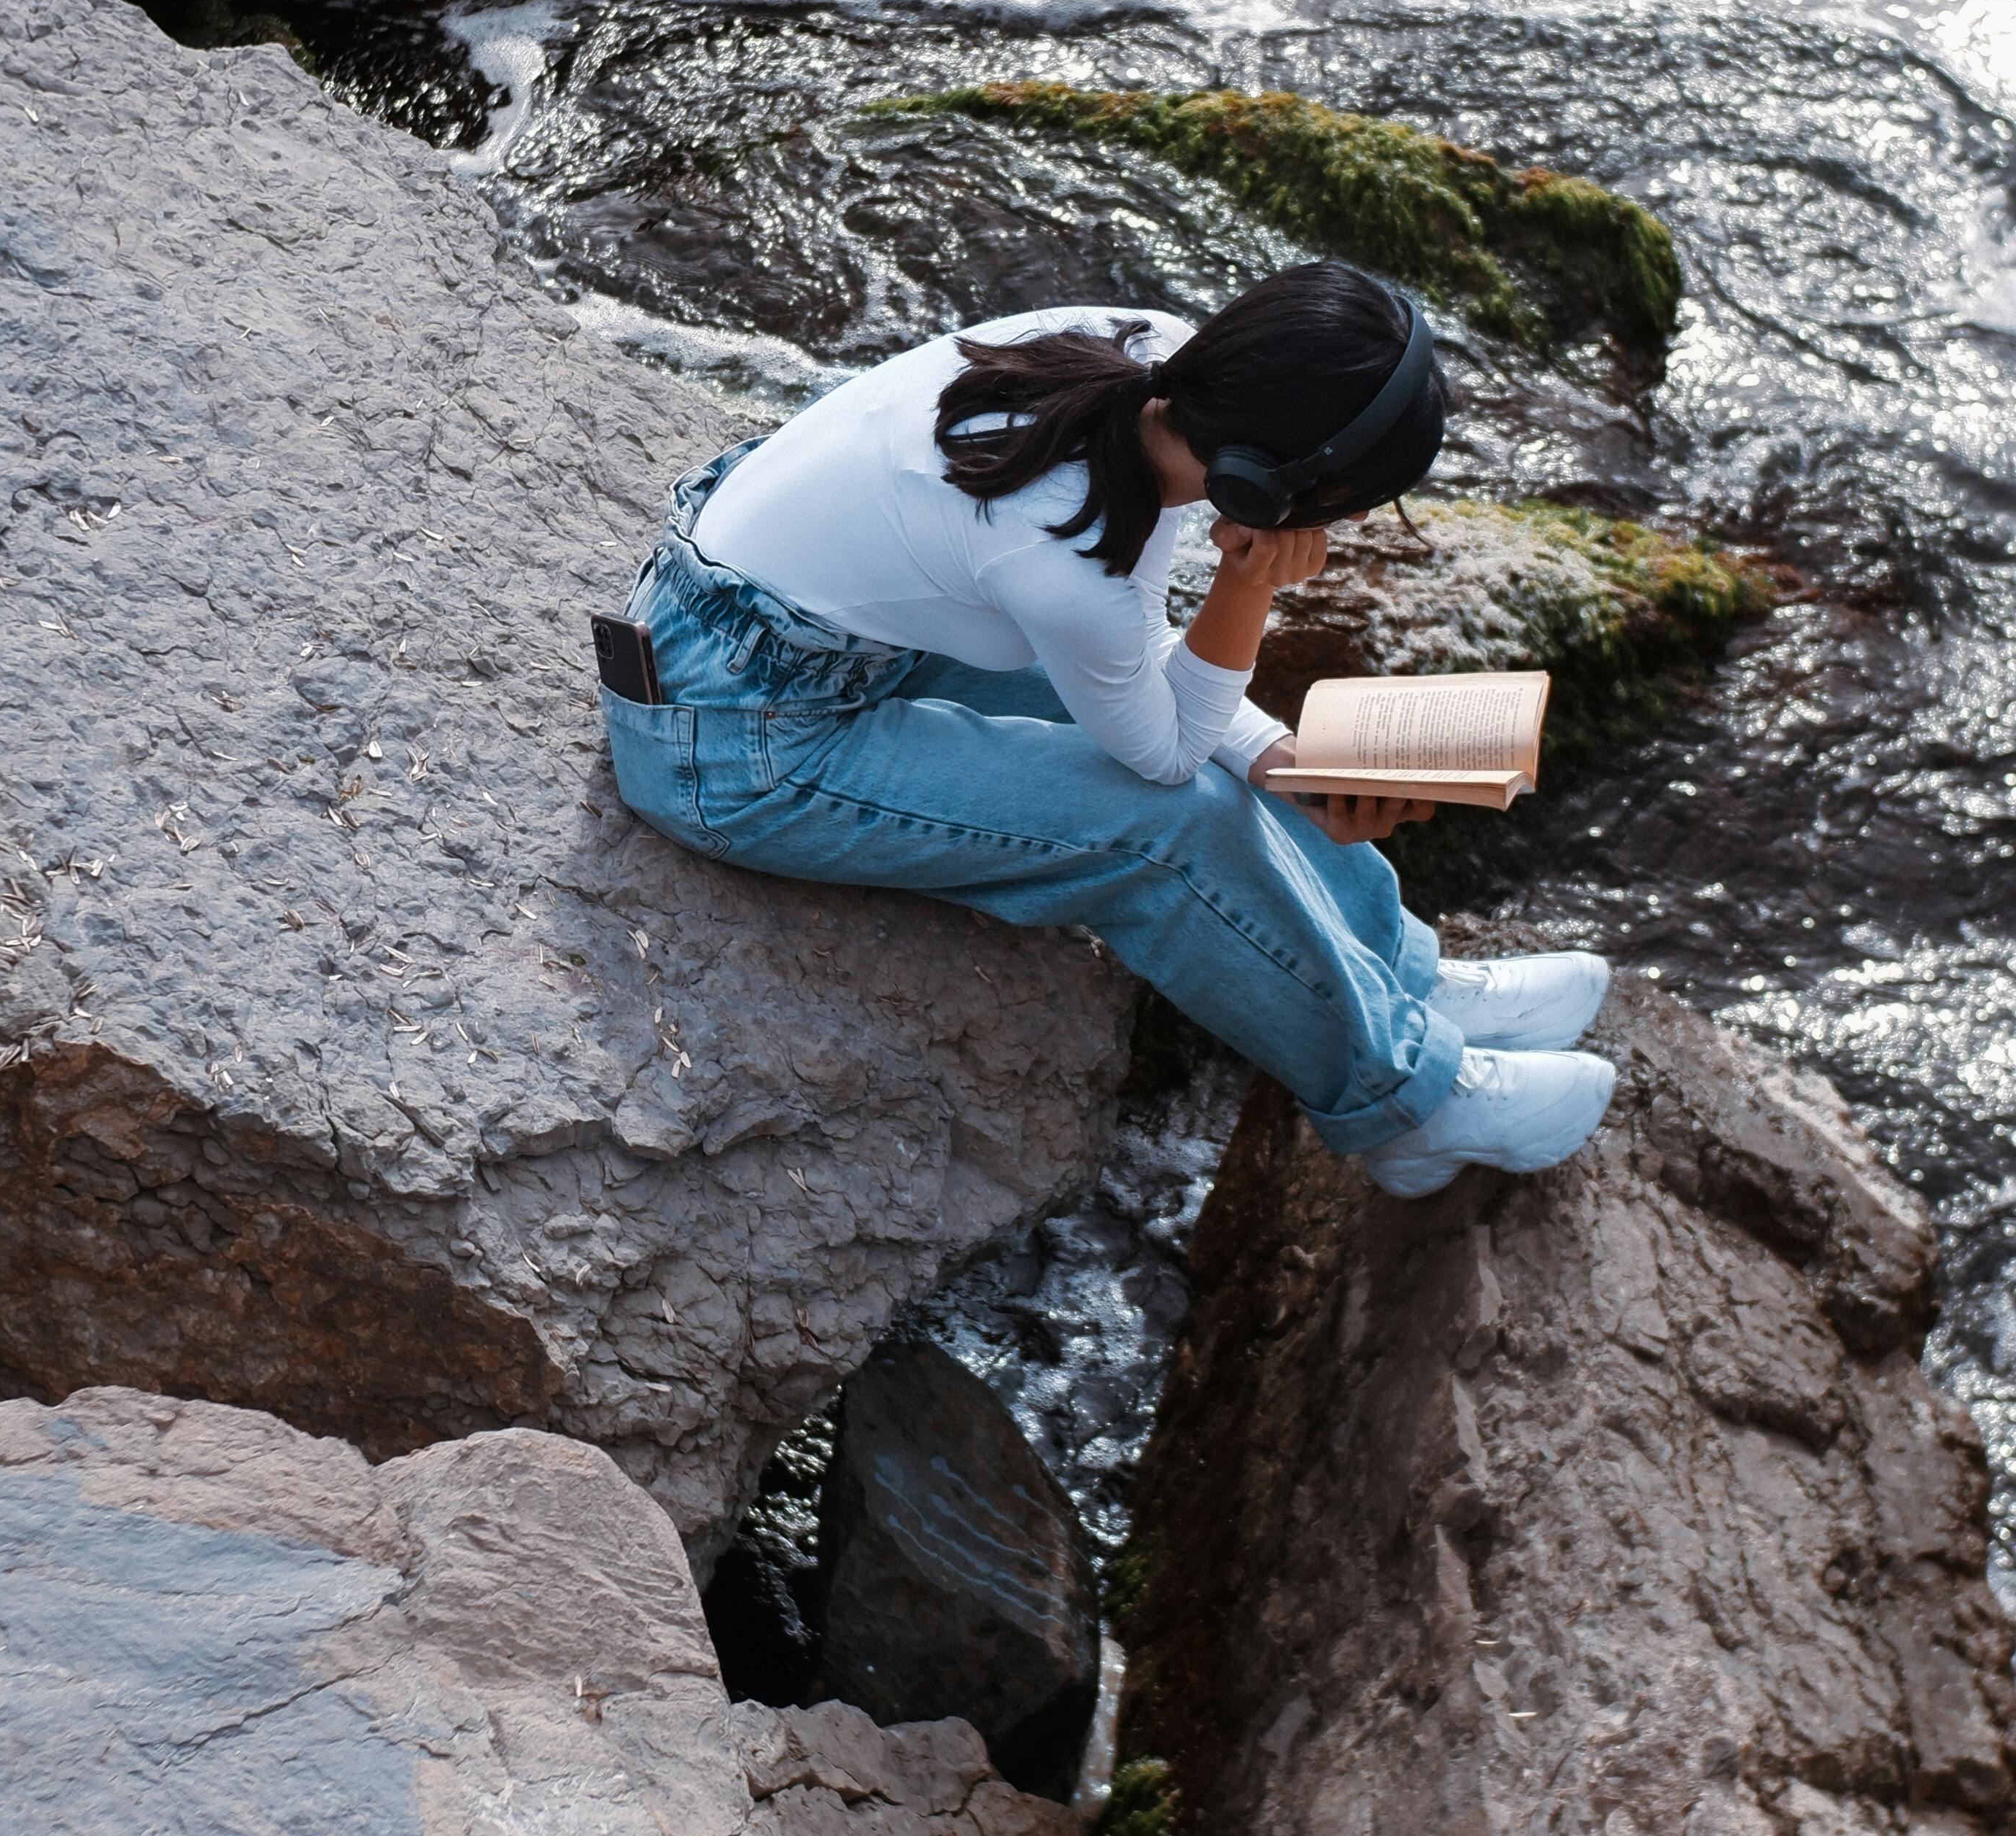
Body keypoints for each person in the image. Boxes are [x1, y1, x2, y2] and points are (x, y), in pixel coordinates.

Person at [600, 262, 1613, 1196]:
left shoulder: (1130, 352)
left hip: (770, 624)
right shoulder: (1069, 552)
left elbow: (1132, 659)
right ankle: (1406, 1106)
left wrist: (1276, 754)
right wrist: (1246, 589)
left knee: (1242, 761)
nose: (1338, 533)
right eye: (1340, 511)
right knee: (1169, 830)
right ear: (1264, 485)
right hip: (730, 743)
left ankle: (1397, 971)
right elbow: (1162, 756)